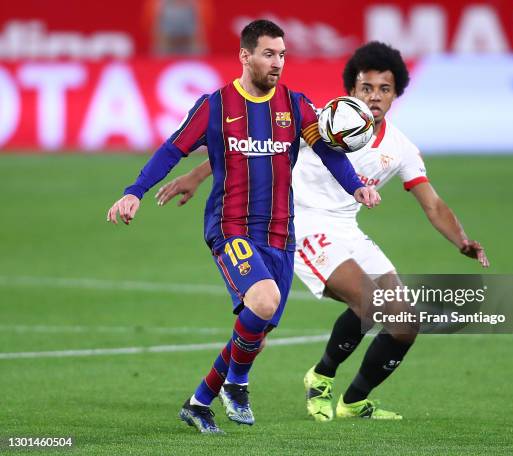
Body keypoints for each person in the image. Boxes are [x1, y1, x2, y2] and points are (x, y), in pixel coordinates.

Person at [155, 41, 489, 423]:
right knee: (358, 306)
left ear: (397, 94)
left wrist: (461, 238)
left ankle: (353, 401)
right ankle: (310, 379)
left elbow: (433, 203)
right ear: (352, 90)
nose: (375, 97)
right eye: (367, 88)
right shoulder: (323, 122)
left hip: (347, 230)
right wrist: (197, 176)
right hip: (297, 225)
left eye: (384, 89)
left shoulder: (400, 148)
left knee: (405, 322)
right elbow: (249, 149)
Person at [106, 20, 380, 434]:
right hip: (230, 228)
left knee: (257, 330)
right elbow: (172, 148)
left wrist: (356, 187)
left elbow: (329, 153)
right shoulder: (214, 105)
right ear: (245, 55)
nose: (278, 63)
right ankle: (236, 384)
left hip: (280, 235)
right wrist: (135, 191)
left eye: (283, 55)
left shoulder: (296, 105)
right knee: (264, 302)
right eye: (269, 54)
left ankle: (199, 402)